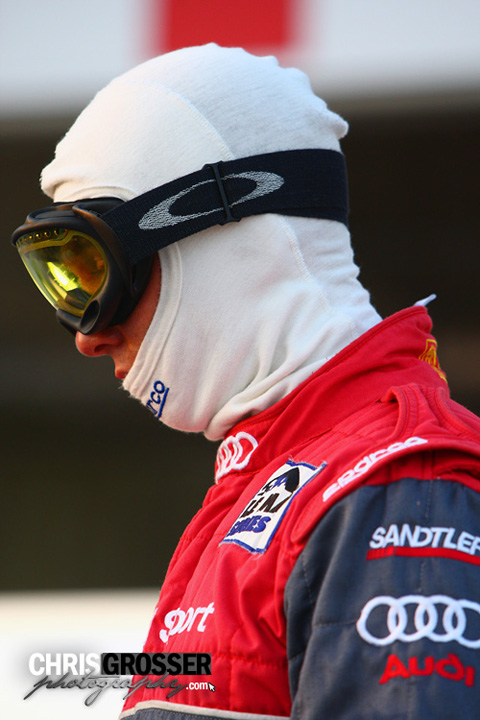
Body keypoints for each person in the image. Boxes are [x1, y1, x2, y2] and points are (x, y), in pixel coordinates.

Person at [11, 44, 480, 719]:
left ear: (217, 229)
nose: (88, 335)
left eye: (95, 273)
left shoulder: (399, 483)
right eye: (63, 283)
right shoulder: (269, 492)